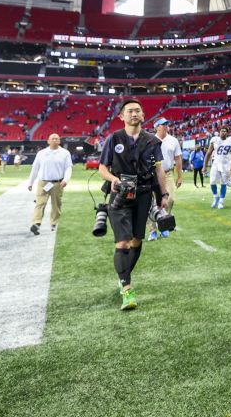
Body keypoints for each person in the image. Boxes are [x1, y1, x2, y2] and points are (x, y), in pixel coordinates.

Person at [97, 99, 170, 310]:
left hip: (144, 195)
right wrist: (113, 179)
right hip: (119, 196)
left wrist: (163, 194)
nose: (134, 114)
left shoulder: (153, 141)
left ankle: (123, 277)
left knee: (137, 241)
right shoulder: (114, 138)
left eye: (137, 110)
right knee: (123, 243)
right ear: (122, 116)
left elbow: (159, 170)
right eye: (129, 111)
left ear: (143, 115)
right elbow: (103, 167)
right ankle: (127, 289)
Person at [27, 133, 72, 235]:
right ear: (48, 141)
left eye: (57, 138)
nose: (55, 140)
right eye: (52, 138)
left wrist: (66, 180)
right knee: (40, 203)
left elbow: (68, 168)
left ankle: (53, 223)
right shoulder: (41, 153)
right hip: (43, 183)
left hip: (57, 183)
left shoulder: (65, 153)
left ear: (59, 141)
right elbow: (35, 168)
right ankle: (36, 223)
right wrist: (31, 182)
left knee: (56, 204)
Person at [150, 118, 182, 240]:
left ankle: (164, 223)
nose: (165, 126)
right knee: (151, 203)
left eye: (166, 124)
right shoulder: (150, 140)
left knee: (170, 199)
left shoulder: (173, 140)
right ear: (156, 127)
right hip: (152, 174)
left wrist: (179, 176)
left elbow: (178, 158)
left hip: (168, 173)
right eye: (163, 124)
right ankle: (152, 230)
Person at [204, 129, 231, 209]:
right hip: (216, 164)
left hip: (226, 165)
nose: (223, 132)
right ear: (219, 132)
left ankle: (221, 201)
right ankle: (216, 197)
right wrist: (204, 166)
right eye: (222, 131)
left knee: (224, 183)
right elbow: (208, 153)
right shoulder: (215, 140)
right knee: (212, 182)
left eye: (225, 131)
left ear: (227, 133)